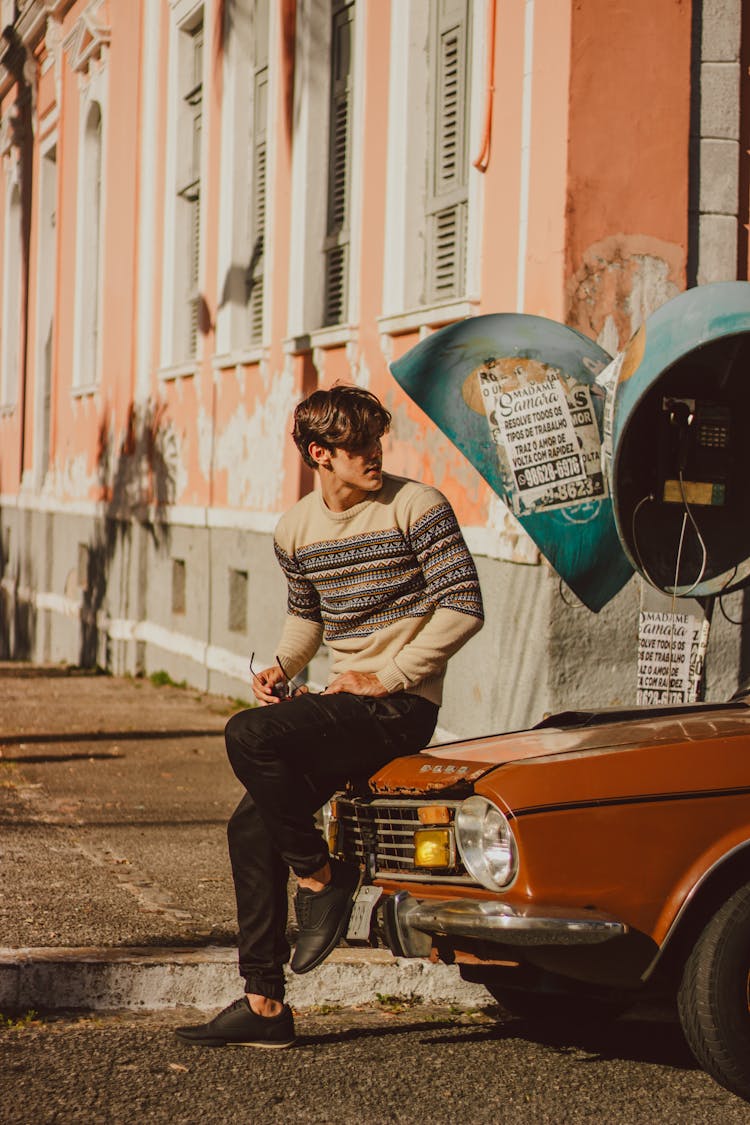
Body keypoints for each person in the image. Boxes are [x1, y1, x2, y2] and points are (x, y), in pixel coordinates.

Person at [176, 384, 484, 1049]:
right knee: (250, 827)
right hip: (342, 704)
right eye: (359, 445)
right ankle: (264, 1004)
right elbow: (307, 618)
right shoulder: (295, 529)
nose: (377, 453)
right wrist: (283, 665)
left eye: (378, 439)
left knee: (245, 734)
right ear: (322, 454)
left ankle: (323, 876)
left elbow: (464, 605)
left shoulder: (416, 506)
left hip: (400, 707)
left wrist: (390, 673)